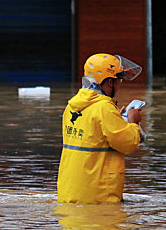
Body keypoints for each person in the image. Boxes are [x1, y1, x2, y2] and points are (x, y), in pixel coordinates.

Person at [57, 53, 143, 204]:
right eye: (119, 80)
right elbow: (128, 143)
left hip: (70, 192)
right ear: (110, 82)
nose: (120, 84)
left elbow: (94, 136)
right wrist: (133, 123)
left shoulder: (72, 105)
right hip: (98, 195)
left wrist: (118, 119)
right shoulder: (104, 108)